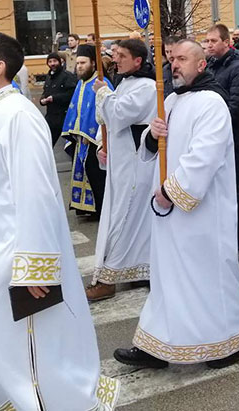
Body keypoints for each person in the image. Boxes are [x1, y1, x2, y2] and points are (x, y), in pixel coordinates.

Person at [0, 31, 119, 411]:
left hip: (19, 261)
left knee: (32, 357)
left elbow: (35, 193)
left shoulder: (17, 115)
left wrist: (34, 265)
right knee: (6, 351)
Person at [114, 40, 239, 370]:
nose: (174, 64)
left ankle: (230, 344)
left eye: (183, 59)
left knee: (207, 278)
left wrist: (171, 191)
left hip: (201, 211)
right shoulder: (171, 99)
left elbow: (204, 156)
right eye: (172, 58)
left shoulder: (212, 103)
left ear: (201, 65)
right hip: (168, 209)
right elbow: (154, 147)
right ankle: (156, 344)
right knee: (166, 279)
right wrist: (151, 135)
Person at [86, 38, 157, 302]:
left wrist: (104, 93)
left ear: (138, 60)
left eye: (122, 56)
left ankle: (109, 277)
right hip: (121, 162)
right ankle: (133, 269)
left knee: (124, 219)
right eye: (115, 55)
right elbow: (106, 120)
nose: (116, 60)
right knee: (122, 217)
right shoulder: (125, 83)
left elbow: (117, 114)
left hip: (137, 164)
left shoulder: (147, 87)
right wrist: (103, 146)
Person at [205, 23, 239, 250]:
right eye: (207, 41)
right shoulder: (213, 66)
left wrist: (214, 125)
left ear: (227, 42)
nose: (209, 45)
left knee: (235, 184)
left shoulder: (237, 68)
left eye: (213, 41)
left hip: (235, 134)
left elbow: (237, 105)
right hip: (217, 134)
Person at [62, 44, 111, 218]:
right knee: (86, 174)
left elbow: (106, 111)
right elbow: (76, 109)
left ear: (93, 63)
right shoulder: (81, 83)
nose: (79, 66)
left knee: (98, 177)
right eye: (78, 63)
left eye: (83, 62)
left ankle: (103, 210)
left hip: (96, 141)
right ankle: (89, 208)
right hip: (81, 140)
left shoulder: (101, 83)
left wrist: (93, 137)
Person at [39, 52, 77, 145]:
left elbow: (72, 94)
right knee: (46, 143)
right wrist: (42, 100)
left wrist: (55, 98)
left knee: (71, 145)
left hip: (65, 116)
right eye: (50, 61)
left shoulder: (67, 76)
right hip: (51, 117)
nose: (52, 64)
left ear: (60, 62)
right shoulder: (49, 76)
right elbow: (45, 92)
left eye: (55, 61)